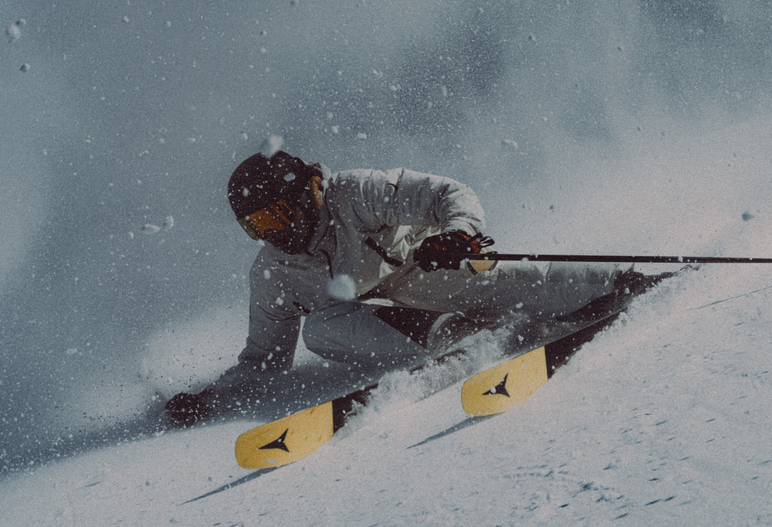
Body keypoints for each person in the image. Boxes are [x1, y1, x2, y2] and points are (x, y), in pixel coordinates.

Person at [164, 149, 660, 426]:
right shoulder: (274, 271)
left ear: (303, 194)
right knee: (319, 328)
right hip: (381, 316)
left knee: (506, 283)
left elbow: (447, 193)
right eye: (255, 227)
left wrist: (457, 235)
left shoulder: (353, 192)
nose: (271, 233)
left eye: (273, 215)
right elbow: (264, 360)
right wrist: (211, 398)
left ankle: (621, 282)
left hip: (425, 267)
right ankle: (449, 338)